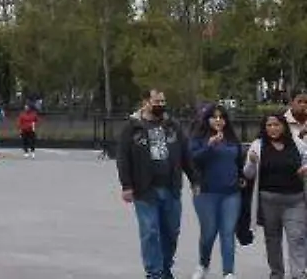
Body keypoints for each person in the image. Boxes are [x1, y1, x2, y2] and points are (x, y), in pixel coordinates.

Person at [118, 88, 189, 279]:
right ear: (145, 102)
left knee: (171, 232)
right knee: (150, 231)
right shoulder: (132, 127)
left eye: (163, 102)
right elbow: (123, 157)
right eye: (156, 101)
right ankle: (154, 272)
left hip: (171, 188)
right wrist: (126, 186)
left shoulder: (173, 125)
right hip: (145, 190)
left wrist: (195, 180)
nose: (160, 105)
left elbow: (186, 153)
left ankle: (165, 267)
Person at [246, 112, 307, 279]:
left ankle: (298, 273)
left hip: (295, 200)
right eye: (269, 125)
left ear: (284, 126)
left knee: (297, 237)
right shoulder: (257, 145)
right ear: (264, 128)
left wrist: (305, 169)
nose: (273, 128)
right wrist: (251, 161)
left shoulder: (296, 143)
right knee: (272, 240)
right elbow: (248, 174)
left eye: (276, 125)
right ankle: (277, 273)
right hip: (268, 201)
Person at [188, 103, 241, 279]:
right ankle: (203, 263)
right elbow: (193, 160)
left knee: (228, 231)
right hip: (206, 192)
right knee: (209, 232)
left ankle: (229, 271)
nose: (218, 120)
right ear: (207, 119)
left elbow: (239, 160)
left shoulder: (232, 138)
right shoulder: (199, 138)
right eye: (214, 117)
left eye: (222, 117)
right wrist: (209, 146)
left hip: (231, 193)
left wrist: (242, 176)